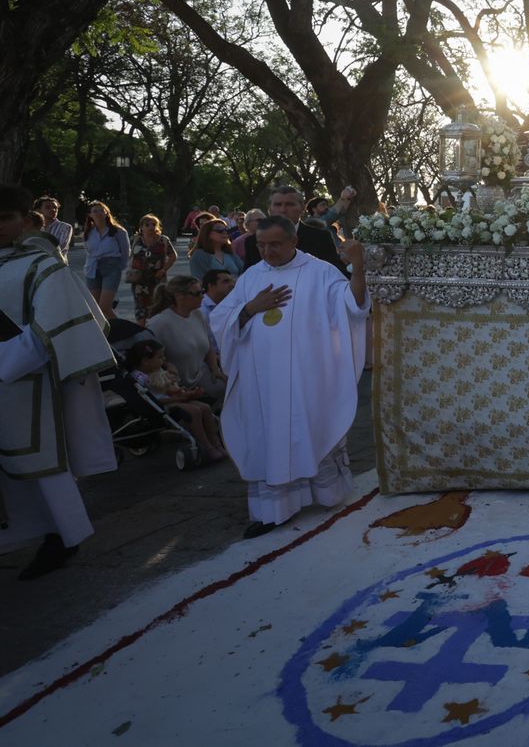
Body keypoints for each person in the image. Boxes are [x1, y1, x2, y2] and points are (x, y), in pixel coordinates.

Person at [212, 215, 370, 538]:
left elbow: (352, 307)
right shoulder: (251, 277)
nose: (267, 251)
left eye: (275, 244)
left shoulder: (320, 272)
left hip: (305, 378)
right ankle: (274, 509)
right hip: (262, 382)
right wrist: (250, 309)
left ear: (293, 241)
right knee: (268, 437)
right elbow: (222, 319)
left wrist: (358, 268)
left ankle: (326, 493)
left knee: (306, 430)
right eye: (261, 245)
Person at [0, 184, 118, 580]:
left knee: (40, 465)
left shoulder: (42, 264)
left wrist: (6, 360)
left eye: (5, 218)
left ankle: (61, 536)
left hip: (28, 384)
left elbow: (55, 327)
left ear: (25, 220)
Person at [126, 339, 227, 462]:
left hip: (175, 399)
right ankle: (206, 445)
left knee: (205, 408)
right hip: (162, 404)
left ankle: (216, 442)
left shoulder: (159, 371)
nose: (163, 360)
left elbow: (170, 389)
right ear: (146, 361)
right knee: (194, 411)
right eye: (160, 357)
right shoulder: (140, 377)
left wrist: (184, 393)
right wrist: (178, 397)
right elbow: (152, 399)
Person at [146, 275, 228, 401]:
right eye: (197, 293)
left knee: (231, 386)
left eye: (202, 292)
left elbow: (207, 347)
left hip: (201, 374)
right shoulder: (159, 324)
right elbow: (148, 359)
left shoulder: (197, 315)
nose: (202, 296)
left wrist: (215, 369)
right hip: (175, 382)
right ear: (179, 296)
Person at [244, 186, 343, 273]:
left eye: (289, 204)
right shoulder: (252, 242)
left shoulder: (321, 237)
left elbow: (336, 272)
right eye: (278, 205)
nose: (283, 210)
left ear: (302, 208)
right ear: (269, 209)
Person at [82, 201, 130, 320]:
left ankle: (122, 331)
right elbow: (88, 251)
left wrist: (119, 267)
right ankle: (104, 333)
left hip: (111, 268)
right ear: (90, 215)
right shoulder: (88, 232)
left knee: (104, 307)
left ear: (106, 213)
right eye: (94, 211)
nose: (98, 213)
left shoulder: (118, 231)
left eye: (101, 210)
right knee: (94, 307)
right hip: (92, 269)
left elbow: (125, 252)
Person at [127, 214, 177, 322]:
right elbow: (126, 253)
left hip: (157, 278)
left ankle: (156, 330)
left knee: (158, 305)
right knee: (140, 307)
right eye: (147, 224)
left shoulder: (163, 240)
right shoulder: (135, 239)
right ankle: (142, 332)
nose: (151, 227)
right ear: (141, 227)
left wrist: (164, 269)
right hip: (139, 279)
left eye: (154, 224)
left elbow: (173, 256)